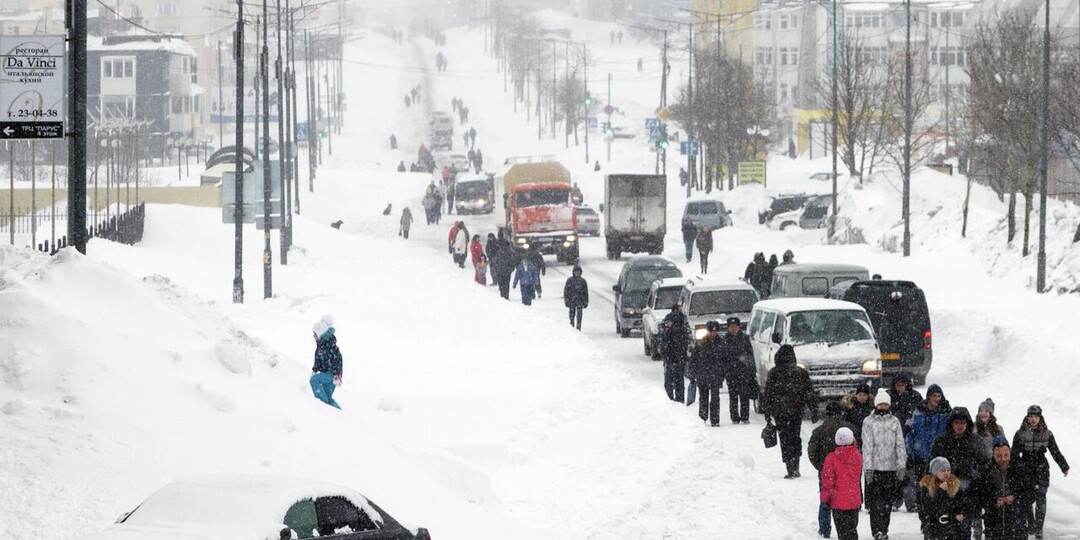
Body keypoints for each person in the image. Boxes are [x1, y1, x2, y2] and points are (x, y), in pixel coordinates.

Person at [1012, 405, 1070, 539]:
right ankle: (1031, 524)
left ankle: (1039, 529)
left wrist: (1064, 465)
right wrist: (1016, 467)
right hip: (1025, 469)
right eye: (1031, 416)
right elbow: (1014, 453)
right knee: (1026, 500)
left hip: (1041, 469)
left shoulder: (1047, 433)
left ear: (1040, 417)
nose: (1033, 419)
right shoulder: (1020, 433)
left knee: (1041, 499)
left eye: (1036, 416)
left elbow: (1055, 451)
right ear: (1027, 417)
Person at [763, 344, 817, 478]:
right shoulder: (800, 372)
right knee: (795, 437)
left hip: (780, 412)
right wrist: (813, 409)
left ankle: (789, 467)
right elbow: (809, 392)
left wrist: (768, 412)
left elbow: (769, 394)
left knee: (785, 439)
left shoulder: (774, 372)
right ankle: (796, 464)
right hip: (796, 411)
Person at [809, 402, 859, 539]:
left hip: (826, 473)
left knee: (825, 501)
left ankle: (825, 529)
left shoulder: (820, 430)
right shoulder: (851, 429)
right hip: (848, 477)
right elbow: (858, 450)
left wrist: (821, 466)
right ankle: (849, 529)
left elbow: (812, 452)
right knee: (846, 504)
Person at [862, 389, 908, 540]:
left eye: (885, 404)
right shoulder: (868, 422)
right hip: (875, 469)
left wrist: (901, 465)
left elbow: (900, 444)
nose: (883, 406)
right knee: (876, 503)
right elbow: (867, 446)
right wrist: (868, 468)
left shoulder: (895, 421)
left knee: (887, 503)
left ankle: (884, 529)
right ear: (876, 404)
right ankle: (876, 531)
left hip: (890, 468)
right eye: (880, 403)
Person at [905, 384, 952, 512]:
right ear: (928, 397)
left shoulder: (946, 412)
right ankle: (924, 518)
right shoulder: (918, 411)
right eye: (934, 396)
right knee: (924, 490)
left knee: (939, 489)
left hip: (939, 458)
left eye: (939, 396)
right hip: (921, 457)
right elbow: (910, 433)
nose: (937, 399)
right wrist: (909, 452)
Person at [974, 437, 1030, 540]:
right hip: (993, 524)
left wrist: (1015, 498)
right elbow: (978, 496)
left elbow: (1030, 494)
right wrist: (993, 501)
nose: (1003, 459)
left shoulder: (1020, 469)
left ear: (1010, 452)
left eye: (1006, 455)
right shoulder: (985, 471)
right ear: (993, 454)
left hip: (1017, 523)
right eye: (999, 456)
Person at [820, 427, 863, 540]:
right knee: (852, 529)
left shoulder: (831, 458)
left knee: (842, 532)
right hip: (853, 500)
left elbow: (827, 481)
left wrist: (825, 498)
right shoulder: (858, 456)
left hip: (838, 501)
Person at [918, 457, 970, 540]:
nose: (946, 473)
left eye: (948, 470)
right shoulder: (927, 486)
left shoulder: (955, 485)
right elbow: (929, 508)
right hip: (934, 530)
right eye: (943, 470)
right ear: (935, 472)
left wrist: (961, 513)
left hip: (954, 530)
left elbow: (963, 504)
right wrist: (940, 492)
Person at [689, 320, 725, 426]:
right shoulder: (701, 343)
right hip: (703, 375)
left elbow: (724, 359)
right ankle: (703, 418)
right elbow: (694, 359)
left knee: (715, 398)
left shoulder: (721, 343)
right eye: (711, 331)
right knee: (703, 398)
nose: (713, 333)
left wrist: (722, 373)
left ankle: (715, 420)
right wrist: (692, 373)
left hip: (716, 375)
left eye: (715, 331)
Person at [720, 317, 756, 424]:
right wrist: (724, 371)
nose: (733, 329)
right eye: (731, 327)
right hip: (731, 372)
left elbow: (750, 355)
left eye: (735, 326)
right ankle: (734, 417)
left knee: (744, 395)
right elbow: (722, 357)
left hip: (743, 371)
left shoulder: (745, 338)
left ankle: (745, 417)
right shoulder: (725, 340)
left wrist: (752, 370)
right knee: (733, 396)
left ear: (739, 327)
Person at [659, 303, 691, 402]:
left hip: (673, 354)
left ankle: (671, 398)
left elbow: (663, 335)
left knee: (672, 379)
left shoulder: (675, 320)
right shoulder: (682, 320)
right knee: (678, 379)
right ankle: (678, 399)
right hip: (676, 354)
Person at [309, 315, 342, 409]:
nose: (313, 336)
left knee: (314, 380)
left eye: (315, 334)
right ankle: (340, 413)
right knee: (328, 398)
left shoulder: (329, 346)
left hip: (332, 375)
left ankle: (322, 405)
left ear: (320, 333)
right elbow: (318, 361)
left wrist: (337, 375)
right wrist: (314, 370)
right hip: (329, 375)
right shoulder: (321, 346)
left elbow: (338, 359)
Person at [563, 265, 589, 330]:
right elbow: (566, 291)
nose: (577, 273)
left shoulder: (583, 281)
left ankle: (578, 326)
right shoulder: (569, 280)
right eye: (576, 272)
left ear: (580, 272)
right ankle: (571, 324)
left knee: (579, 314)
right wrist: (566, 300)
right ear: (573, 272)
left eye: (578, 272)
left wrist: (586, 302)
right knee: (572, 313)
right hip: (572, 300)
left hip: (580, 300)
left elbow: (586, 292)